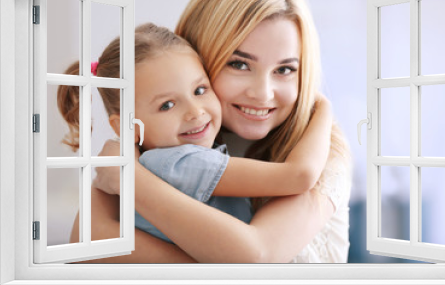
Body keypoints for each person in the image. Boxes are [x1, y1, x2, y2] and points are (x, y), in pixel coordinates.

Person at [90, 0, 351, 263]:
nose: (263, 94)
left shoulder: (322, 150)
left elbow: (258, 254)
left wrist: (134, 182)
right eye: (239, 64)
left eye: (285, 69)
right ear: (200, 55)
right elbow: (88, 240)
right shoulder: (163, 142)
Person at [59, 23, 333, 245]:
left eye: (200, 90)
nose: (195, 112)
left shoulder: (152, 162)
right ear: (127, 127)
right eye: (167, 105)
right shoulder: (179, 163)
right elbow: (298, 176)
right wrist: (322, 107)